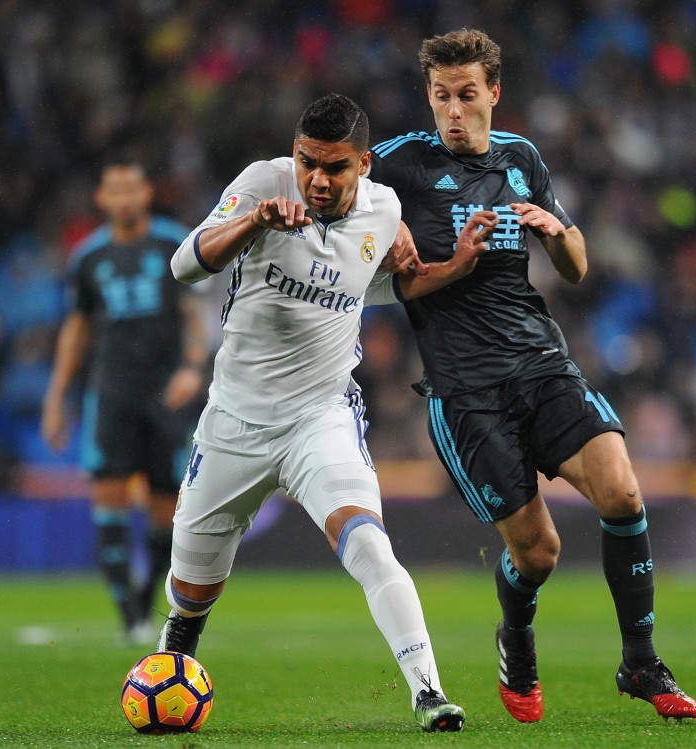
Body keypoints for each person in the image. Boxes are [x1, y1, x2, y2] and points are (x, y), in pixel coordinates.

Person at [368, 28, 696, 723]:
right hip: (466, 391)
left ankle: (640, 660)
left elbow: (576, 267)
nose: (453, 110)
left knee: (622, 491)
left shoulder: (521, 158)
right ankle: (515, 636)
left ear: (494, 92)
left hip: (541, 362)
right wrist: (390, 230)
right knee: (540, 552)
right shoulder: (400, 165)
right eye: (440, 96)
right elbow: (342, 204)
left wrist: (557, 233)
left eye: (466, 95)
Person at [157, 93, 498, 732]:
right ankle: (175, 654)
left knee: (368, 542)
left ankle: (428, 692)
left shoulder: (384, 210)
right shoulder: (264, 183)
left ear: (363, 165)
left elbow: (377, 286)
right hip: (233, 421)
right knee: (192, 588)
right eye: (307, 161)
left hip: (321, 416)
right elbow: (184, 266)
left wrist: (452, 268)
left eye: (335, 167)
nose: (316, 179)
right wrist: (255, 222)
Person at [41, 157, 209, 644]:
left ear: (146, 194)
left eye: (132, 188)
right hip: (111, 393)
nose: (125, 198)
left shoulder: (173, 243)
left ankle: (144, 601)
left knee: (166, 513)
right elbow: (76, 329)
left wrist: (192, 367)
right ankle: (130, 617)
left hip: (166, 396)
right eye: (115, 189)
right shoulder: (88, 257)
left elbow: (194, 313)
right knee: (109, 503)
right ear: (102, 198)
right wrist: (55, 398)